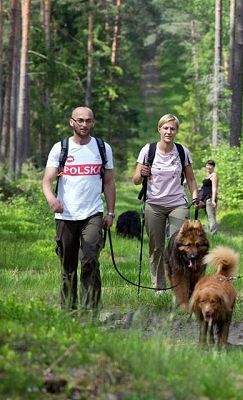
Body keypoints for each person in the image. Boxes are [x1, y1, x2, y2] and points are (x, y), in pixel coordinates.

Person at [42, 106, 116, 312]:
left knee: (90, 259)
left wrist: (110, 212)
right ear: (71, 122)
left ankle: (90, 310)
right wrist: (51, 199)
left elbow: (109, 182)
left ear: (93, 123)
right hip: (65, 214)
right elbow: (47, 180)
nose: (84, 124)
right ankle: (69, 310)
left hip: (93, 212)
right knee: (68, 266)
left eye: (88, 121)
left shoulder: (102, 148)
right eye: (80, 120)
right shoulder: (61, 148)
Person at [133, 114, 199, 292]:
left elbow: (191, 179)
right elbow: (136, 180)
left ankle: (179, 285)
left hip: (177, 203)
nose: (169, 131)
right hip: (154, 204)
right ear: (159, 129)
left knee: (180, 245)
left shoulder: (182, 151)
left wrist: (195, 196)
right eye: (166, 128)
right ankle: (159, 287)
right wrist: (143, 173)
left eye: (172, 128)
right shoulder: (148, 150)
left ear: (176, 131)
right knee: (156, 248)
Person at [198, 160, 218, 234]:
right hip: (204, 198)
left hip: (210, 198)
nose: (208, 167)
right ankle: (210, 232)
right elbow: (204, 187)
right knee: (208, 216)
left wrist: (213, 200)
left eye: (210, 165)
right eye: (207, 165)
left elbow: (214, 188)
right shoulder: (207, 175)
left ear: (213, 166)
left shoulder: (214, 175)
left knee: (211, 216)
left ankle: (214, 234)